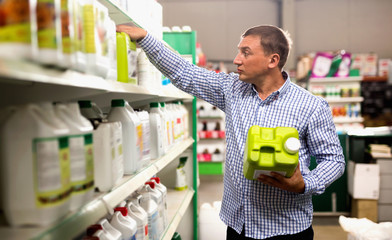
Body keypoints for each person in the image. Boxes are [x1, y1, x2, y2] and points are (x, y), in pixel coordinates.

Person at [116, 24, 345, 240]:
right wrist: (145, 38)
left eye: (246, 53)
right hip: (239, 225)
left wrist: (305, 183)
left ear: (272, 60)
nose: (237, 60)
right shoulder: (232, 89)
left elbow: (334, 160)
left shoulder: (311, 105)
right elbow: (184, 73)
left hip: (286, 228)